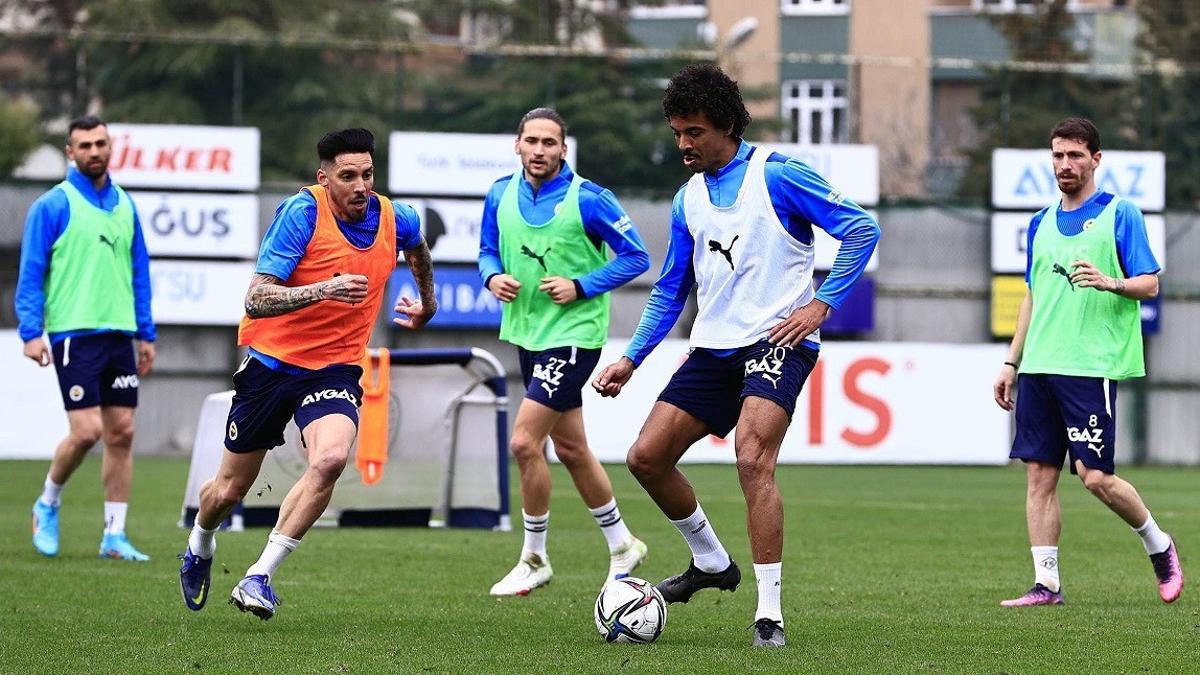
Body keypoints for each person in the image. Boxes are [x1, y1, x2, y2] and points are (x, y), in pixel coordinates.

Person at [592, 64, 880, 647]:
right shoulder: (687, 199)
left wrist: (820, 305)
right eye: (677, 132)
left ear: (726, 124)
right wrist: (631, 359)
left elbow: (860, 229)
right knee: (646, 458)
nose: (683, 144)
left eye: (694, 132)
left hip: (777, 343)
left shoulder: (779, 175)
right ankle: (711, 562)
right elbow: (671, 288)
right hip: (713, 349)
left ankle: (769, 614)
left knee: (752, 459)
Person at [178, 128, 436, 620]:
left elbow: (418, 247)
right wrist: (324, 289)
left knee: (332, 458)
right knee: (229, 490)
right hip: (272, 364)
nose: (361, 186)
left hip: (335, 367)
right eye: (348, 176)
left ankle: (259, 575)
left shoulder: (394, 216)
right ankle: (200, 543)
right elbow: (256, 298)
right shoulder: (301, 214)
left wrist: (428, 302)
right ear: (324, 178)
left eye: (368, 175)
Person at [993, 117, 1183, 607]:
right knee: (1039, 476)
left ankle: (1159, 544)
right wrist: (1011, 362)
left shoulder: (1121, 214)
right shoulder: (1040, 222)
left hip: (1089, 365)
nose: (1065, 164)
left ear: (1095, 160)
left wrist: (1110, 281)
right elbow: (1033, 296)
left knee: (1096, 477)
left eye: (1075, 155)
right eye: (1058, 155)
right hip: (1039, 365)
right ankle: (1047, 585)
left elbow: (1150, 284)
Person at [478, 107, 653, 596]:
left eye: (549, 142)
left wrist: (581, 285)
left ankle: (534, 557)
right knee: (572, 449)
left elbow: (637, 257)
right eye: (531, 141)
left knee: (523, 444)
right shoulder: (499, 193)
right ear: (517, 145)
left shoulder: (590, 199)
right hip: (527, 334)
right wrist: (492, 277)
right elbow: (487, 250)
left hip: (574, 337)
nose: (539, 150)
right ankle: (623, 545)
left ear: (563, 149)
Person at [17, 115, 156, 562]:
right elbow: (31, 272)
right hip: (73, 334)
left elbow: (139, 272)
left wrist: (145, 333)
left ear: (110, 147)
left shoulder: (125, 205)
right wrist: (30, 331)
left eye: (100, 143)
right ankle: (47, 502)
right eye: (85, 145)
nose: (94, 151)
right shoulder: (52, 205)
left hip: (119, 334)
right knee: (86, 432)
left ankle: (114, 535)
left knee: (122, 433)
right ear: (70, 152)